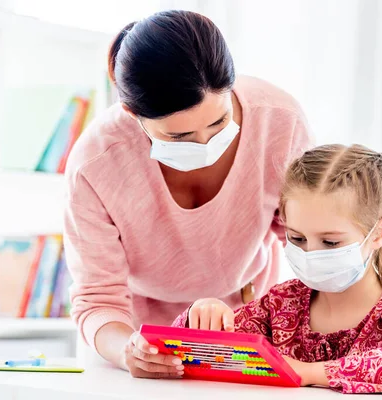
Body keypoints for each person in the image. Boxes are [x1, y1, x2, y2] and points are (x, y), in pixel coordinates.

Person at [64, 10, 312, 378]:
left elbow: (307, 240)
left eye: (219, 122)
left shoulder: (279, 121)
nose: (205, 143)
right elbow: (98, 299)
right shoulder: (96, 164)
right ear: (132, 113)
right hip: (143, 337)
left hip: (248, 320)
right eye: (178, 137)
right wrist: (129, 352)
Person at [173, 144, 382, 395]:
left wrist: (307, 372)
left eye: (330, 242)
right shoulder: (282, 303)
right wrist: (201, 316)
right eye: (297, 238)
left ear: (379, 233)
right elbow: (198, 350)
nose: (311, 254)